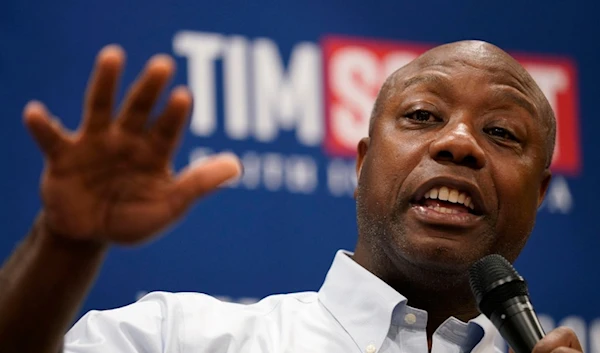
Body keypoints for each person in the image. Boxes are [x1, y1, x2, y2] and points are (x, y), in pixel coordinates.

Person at [0, 40, 584, 353]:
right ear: (362, 165)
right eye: (424, 115)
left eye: (502, 133)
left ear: (540, 195)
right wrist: (65, 244)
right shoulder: (180, 337)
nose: (459, 142)